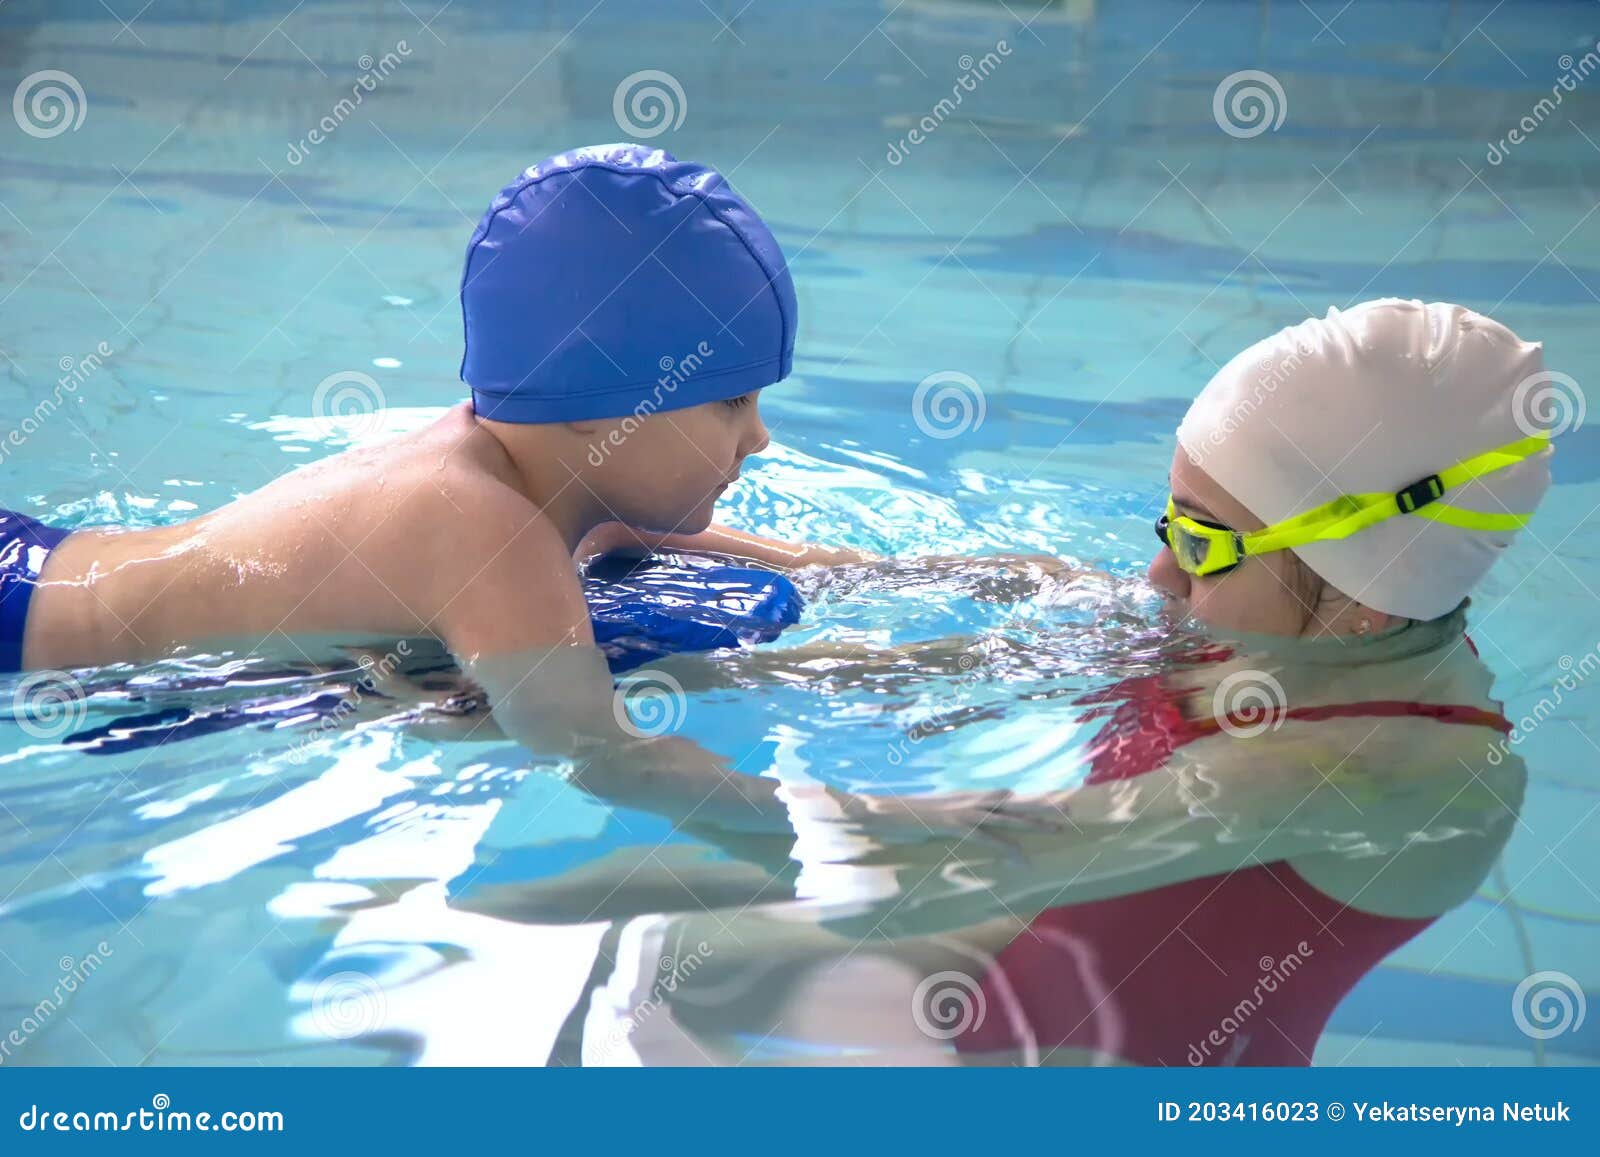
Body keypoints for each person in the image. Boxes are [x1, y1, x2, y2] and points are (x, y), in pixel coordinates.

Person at [435, 299, 1555, 1066]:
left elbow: (991, 853)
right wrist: (662, 558)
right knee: (587, 937)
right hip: (1015, 974)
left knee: (638, 971)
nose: (1157, 574)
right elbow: (983, 601)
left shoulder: (1386, 768)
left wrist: (605, 747)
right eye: (1168, 521)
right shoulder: (1273, 625)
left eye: (1206, 544)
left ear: (1363, 589)